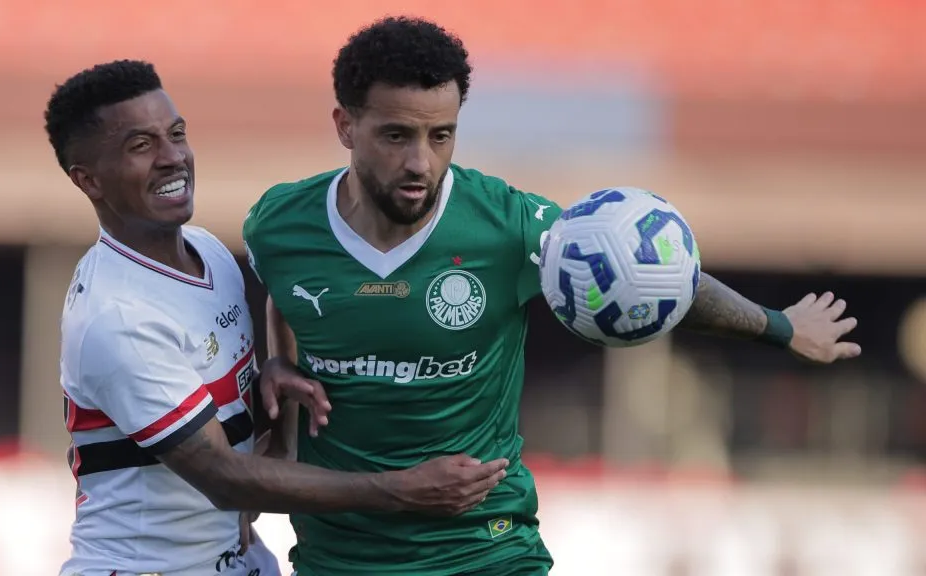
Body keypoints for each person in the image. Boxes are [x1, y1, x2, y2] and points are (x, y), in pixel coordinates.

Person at [242, 17, 861, 576]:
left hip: (487, 549)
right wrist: (279, 360)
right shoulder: (279, 225)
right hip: (341, 557)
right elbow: (287, 293)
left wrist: (778, 326)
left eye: (441, 136)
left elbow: (656, 277)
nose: (421, 163)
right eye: (396, 135)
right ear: (345, 126)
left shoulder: (508, 225)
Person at [46, 59, 510, 576]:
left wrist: (274, 373)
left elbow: (228, 414)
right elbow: (222, 477)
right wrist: (402, 489)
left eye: (176, 134)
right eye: (141, 145)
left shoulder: (208, 254)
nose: (173, 157)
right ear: (87, 180)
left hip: (239, 559)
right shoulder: (117, 318)